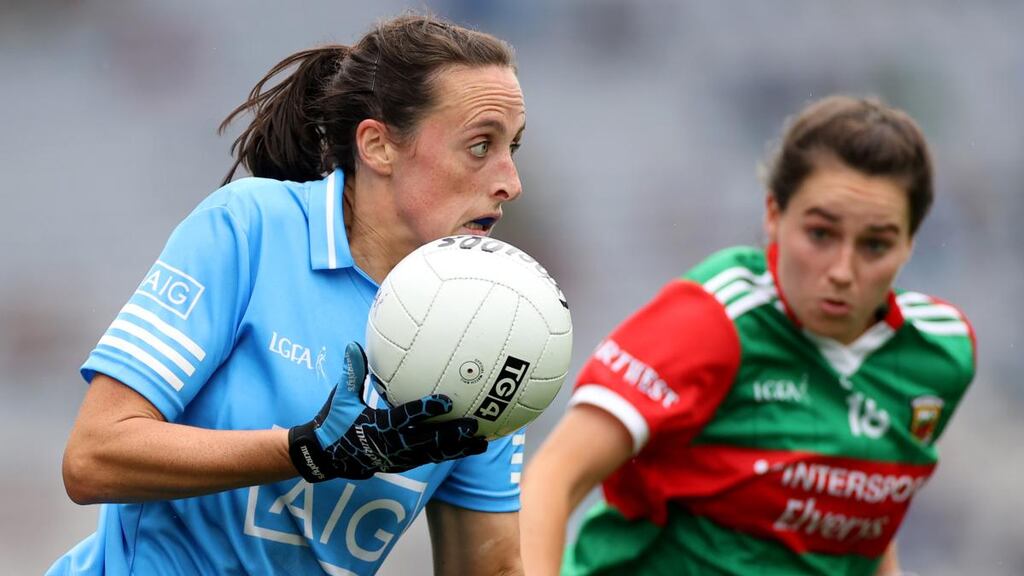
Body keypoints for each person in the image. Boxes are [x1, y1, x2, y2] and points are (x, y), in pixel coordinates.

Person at [49, 13, 528, 576]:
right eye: (479, 145)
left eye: (512, 147)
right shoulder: (251, 228)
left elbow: (490, 567)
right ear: (377, 146)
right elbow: (93, 459)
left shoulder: (501, 330)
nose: (510, 182)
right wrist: (306, 449)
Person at [521, 95, 975, 575]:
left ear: (910, 242)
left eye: (876, 244)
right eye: (821, 234)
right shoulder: (716, 317)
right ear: (774, 215)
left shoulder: (940, 354)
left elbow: (866, 530)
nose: (843, 270)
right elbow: (553, 479)